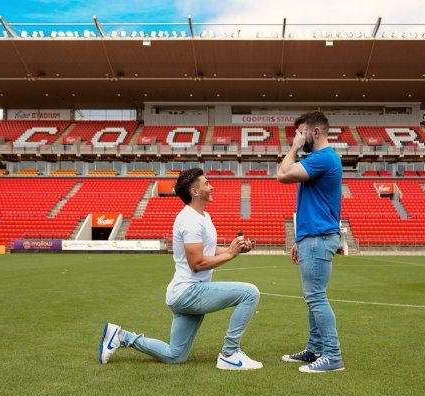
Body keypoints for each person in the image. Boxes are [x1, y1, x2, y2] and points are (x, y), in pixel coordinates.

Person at [99, 168, 262, 370]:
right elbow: (197, 264)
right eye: (206, 183)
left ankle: (121, 336)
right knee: (250, 293)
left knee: (175, 356)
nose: (212, 186)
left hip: (184, 294)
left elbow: (208, 250)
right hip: (189, 292)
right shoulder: (190, 220)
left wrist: (234, 249)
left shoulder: (203, 217)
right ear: (194, 191)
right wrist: (231, 254)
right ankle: (230, 354)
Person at [277, 111, 344, 373]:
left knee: (316, 296)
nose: (298, 137)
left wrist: (293, 147)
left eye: (301, 132)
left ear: (315, 132)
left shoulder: (323, 158)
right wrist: (298, 239)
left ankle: (332, 355)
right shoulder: (320, 158)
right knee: (312, 296)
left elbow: (281, 175)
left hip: (318, 237)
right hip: (311, 236)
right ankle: (316, 348)